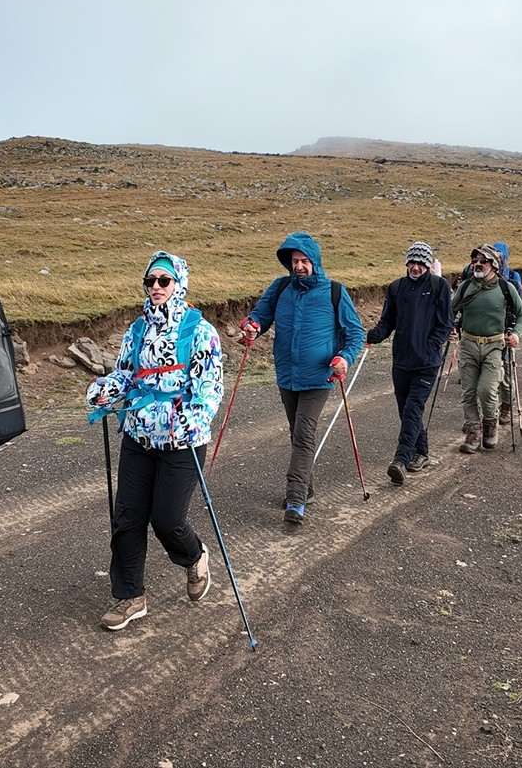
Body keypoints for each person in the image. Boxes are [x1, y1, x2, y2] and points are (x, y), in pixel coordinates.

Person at [87, 251, 223, 631]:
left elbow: (209, 390)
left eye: (164, 280)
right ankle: (130, 596)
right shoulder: (136, 330)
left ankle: (195, 557)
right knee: (127, 518)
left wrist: (191, 420)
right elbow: (126, 376)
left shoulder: (200, 331)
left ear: (179, 283)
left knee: (167, 520)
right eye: (151, 281)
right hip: (139, 435)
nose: (157, 287)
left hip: (183, 439)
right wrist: (103, 391)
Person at [240, 232, 365, 523]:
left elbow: (355, 333)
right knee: (298, 434)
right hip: (287, 374)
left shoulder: (334, 291)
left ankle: (295, 499)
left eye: (305, 260)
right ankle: (306, 489)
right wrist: (252, 326)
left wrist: (344, 358)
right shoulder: (280, 287)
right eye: (295, 260)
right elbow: (260, 315)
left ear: (315, 262)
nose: (299, 266)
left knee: (304, 433)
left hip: (319, 377)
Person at [365, 242, 454, 483]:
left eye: (420, 263)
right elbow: (388, 321)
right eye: (411, 263)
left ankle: (401, 460)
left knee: (413, 409)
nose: (415, 267)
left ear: (427, 264)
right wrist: (378, 333)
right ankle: (422, 452)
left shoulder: (439, 286)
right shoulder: (396, 288)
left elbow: (446, 323)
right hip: (401, 361)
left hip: (427, 362)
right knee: (406, 411)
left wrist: (429, 347)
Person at [448, 243, 522, 453]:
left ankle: (490, 426)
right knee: (468, 392)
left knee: (487, 390)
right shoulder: (465, 286)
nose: (478, 264)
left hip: (495, 346)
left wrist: (516, 335)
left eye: (483, 261)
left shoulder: (506, 288)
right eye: (475, 260)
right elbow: (449, 311)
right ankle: (472, 434)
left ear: (493, 264)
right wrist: (448, 328)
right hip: (467, 345)